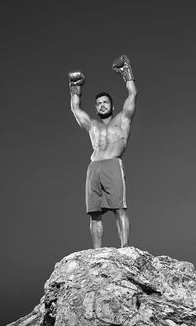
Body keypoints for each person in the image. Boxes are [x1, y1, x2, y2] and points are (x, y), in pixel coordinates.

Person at [68, 55, 137, 248]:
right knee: (95, 214)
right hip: (94, 168)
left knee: (119, 209)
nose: (102, 105)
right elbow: (75, 108)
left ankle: (125, 248)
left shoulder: (122, 120)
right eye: (98, 103)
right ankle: (97, 252)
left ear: (112, 106)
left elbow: (132, 95)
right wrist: (75, 87)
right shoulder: (92, 125)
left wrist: (127, 73)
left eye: (105, 102)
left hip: (112, 164)